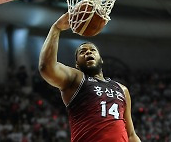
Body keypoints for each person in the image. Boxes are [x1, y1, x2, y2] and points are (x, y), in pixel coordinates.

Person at [39, 12, 141, 142]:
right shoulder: (76, 79)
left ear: (101, 59)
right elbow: (46, 67)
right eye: (82, 52)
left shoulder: (122, 89)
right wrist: (56, 28)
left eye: (92, 50)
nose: (88, 52)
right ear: (76, 64)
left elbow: (131, 134)